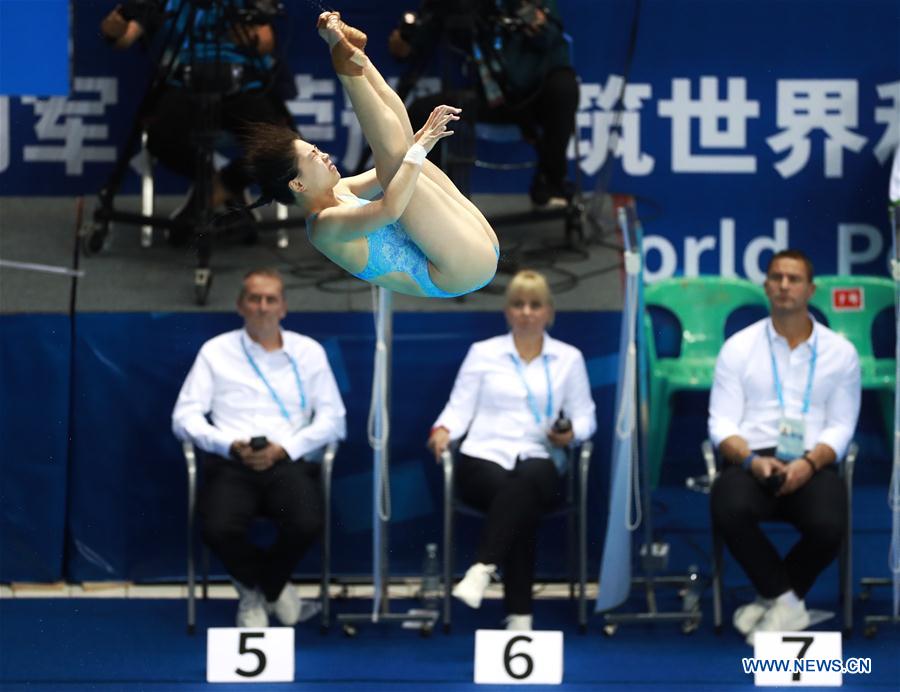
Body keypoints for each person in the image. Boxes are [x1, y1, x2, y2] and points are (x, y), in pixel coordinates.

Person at [242, 12, 499, 299]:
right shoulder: (324, 227)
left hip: (470, 246)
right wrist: (420, 148)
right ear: (297, 185)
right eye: (313, 156)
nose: (324, 154)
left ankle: (357, 59)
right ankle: (349, 72)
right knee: (399, 161)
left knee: (399, 154)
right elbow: (390, 208)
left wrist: (416, 140)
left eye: (316, 148)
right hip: (458, 270)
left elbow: (387, 167)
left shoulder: (338, 189)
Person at [172, 268, 346, 627]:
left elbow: (334, 419)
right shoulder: (215, 352)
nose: (262, 307)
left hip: (288, 460)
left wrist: (287, 448)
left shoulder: (308, 352)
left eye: (271, 300)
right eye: (254, 299)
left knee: (307, 523)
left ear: (283, 308)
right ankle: (267, 591)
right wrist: (227, 444)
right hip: (233, 461)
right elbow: (184, 416)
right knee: (217, 528)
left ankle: (260, 589)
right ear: (240, 306)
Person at [426, 270, 597, 630]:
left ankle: (482, 568)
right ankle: (520, 616)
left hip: (542, 456)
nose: (526, 312)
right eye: (518, 304)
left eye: (535, 305)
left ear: (549, 312)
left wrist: (571, 435)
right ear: (507, 312)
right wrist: (443, 429)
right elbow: (459, 408)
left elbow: (586, 419)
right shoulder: (483, 354)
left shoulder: (569, 359)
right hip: (484, 458)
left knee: (527, 483)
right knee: (520, 499)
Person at [708, 249, 861, 644]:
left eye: (794, 279)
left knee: (830, 525)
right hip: (754, 459)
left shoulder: (840, 354)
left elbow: (842, 425)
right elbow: (721, 422)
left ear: (811, 289)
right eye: (776, 277)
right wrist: (751, 461)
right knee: (727, 505)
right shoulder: (738, 348)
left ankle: (775, 598)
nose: (784, 285)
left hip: (812, 461)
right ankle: (789, 603)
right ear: (765, 286)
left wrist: (809, 465)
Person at [100, 0, 295, 243]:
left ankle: (208, 197)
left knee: (279, 146)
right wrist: (119, 18)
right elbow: (122, 38)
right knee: (159, 138)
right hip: (187, 84)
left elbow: (266, 42)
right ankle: (224, 194)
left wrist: (248, 31)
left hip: (244, 84)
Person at [388, 0, 579, 209]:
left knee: (564, 88)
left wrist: (532, 18)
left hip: (536, 97)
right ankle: (428, 199)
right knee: (423, 111)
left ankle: (550, 181)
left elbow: (548, 38)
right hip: (491, 97)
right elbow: (406, 48)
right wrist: (406, 37)